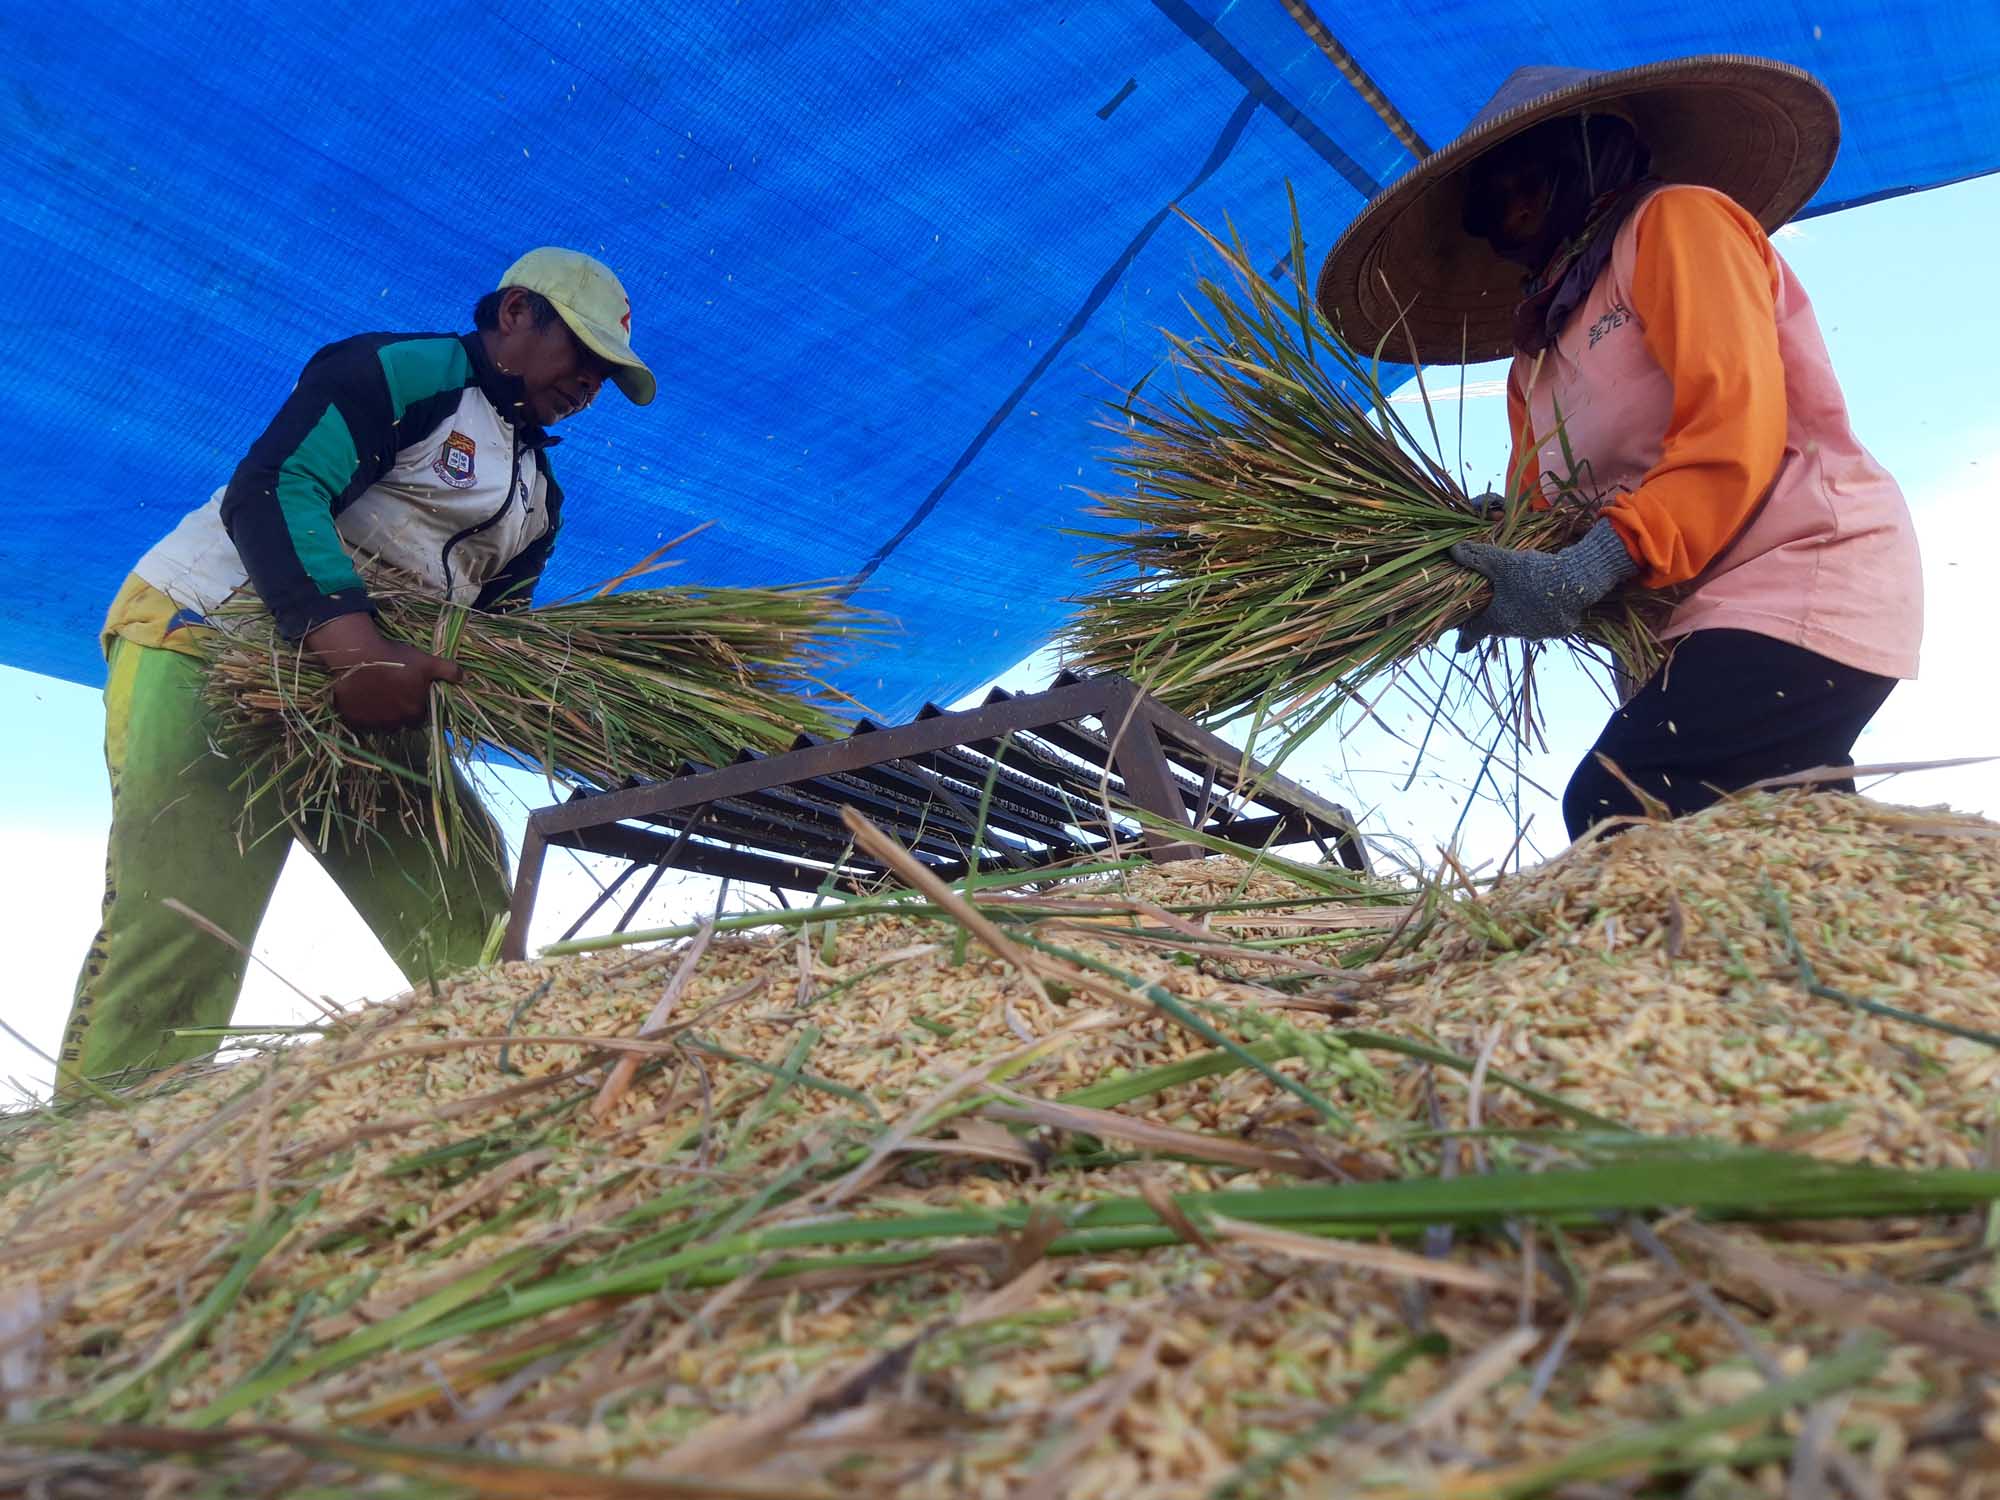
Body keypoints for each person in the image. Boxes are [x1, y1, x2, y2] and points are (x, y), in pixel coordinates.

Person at [58, 249, 656, 1090]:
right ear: (516, 313)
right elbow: (276, 485)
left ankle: (531, 1096)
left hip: (366, 698)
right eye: (584, 354)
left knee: (472, 918)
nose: (591, 382)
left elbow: (491, 635)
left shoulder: (538, 499)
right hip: (212, 640)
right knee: (185, 926)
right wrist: (352, 643)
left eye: (607, 373)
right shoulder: (406, 373)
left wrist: (555, 696)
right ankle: (98, 1171)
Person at [1317, 57, 1922, 840]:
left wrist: (1592, 566)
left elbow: (1733, 423)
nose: (1512, 201)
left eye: (1526, 170)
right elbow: (1549, 512)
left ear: (1597, 149)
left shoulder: (1676, 224)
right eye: (1490, 197)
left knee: (1624, 803)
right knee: (1759, 839)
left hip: (1800, 574)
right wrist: (1470, 550)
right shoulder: (1534, 356)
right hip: (1676, 627)